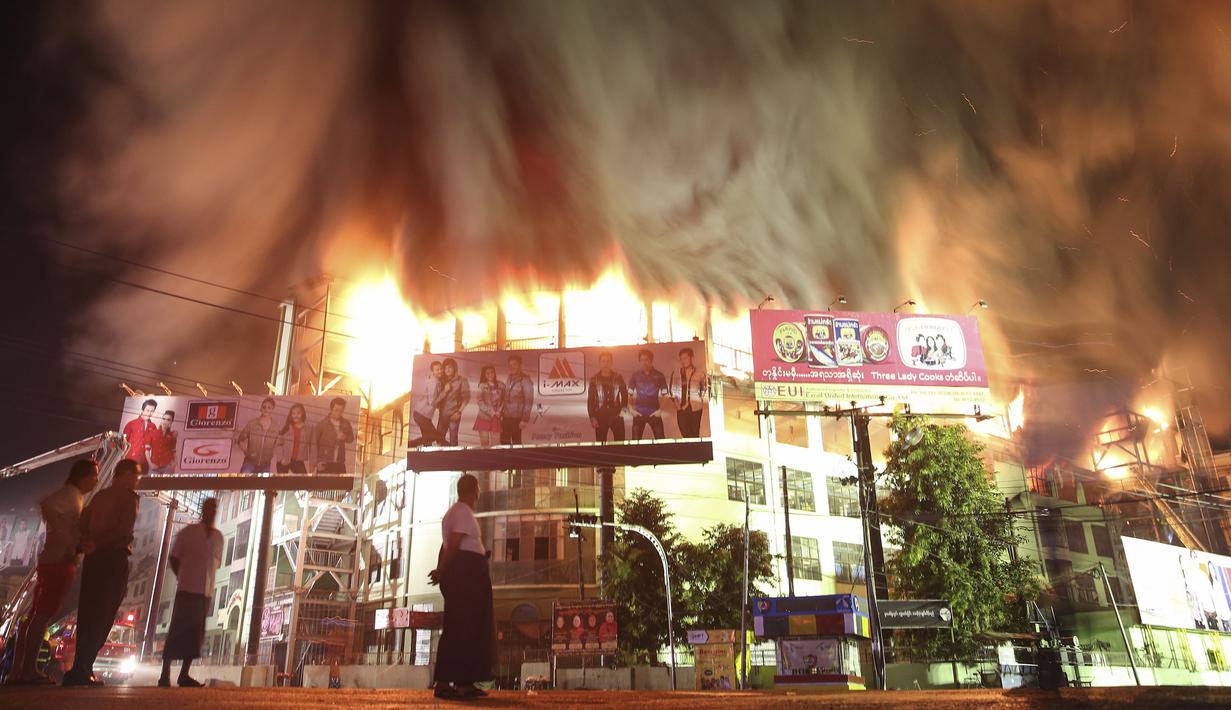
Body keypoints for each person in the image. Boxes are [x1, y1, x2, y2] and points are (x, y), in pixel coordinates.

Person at [7, 460, 99, 685]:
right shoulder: (71, 494)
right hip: (58, 562)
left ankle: (18, 670)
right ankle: (28, 670)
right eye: (94, 475)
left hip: (54, 560)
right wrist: (69, 538)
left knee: (35, 617)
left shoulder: (75, 496)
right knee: (42, 615)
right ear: (83, 476)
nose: (97, 479)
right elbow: (47, 505)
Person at [63, 459, 141, 687]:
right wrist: (98, 543)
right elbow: (123, 530)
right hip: (113, 558)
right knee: (104, 615)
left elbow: (81, 525)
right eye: (136, 475)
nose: (137, 480)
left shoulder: (99, 497)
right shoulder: (129, 497)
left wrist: (88, 544)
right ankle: (83, 668)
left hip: (92, 560)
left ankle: (79, 668)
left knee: (88, 613)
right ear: (125, 474)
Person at [429, 474, 493, 699]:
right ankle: (446, 682)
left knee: (468, 627)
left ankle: (464, 682)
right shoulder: (462, 512)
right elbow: (453, 544)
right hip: (466, 574)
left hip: (468, 573)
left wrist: (443, 570)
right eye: (478, 488)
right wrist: (442, 570)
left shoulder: (457, 512)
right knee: (460, 627)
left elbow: (450, 545)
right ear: (474, 490)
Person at [159, 498, 223, 688]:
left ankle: (184, 675)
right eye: (209, 508)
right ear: (203, 510)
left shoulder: (218, 537)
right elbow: (174, 557)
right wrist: (182, 576)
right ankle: (164, 674)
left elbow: (215, 563)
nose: (212, 511)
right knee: (177, 631)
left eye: (215, 508)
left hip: (205, 592)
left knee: (196, 635)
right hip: (187, 589)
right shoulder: (188, 533)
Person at [627, 349, 668, 440]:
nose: (644, 362)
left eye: (646, 359)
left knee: (661, 442)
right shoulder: (635, 376)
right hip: (639, 413)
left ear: (651, 360)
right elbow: (629, 394)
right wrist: (631, 409)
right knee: (635, 443)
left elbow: (666, 395)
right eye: (641, 360)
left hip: (654, 413)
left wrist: (660, 410)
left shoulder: (659, 375)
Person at [587, 351, 628, 442]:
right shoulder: (594, 379)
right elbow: (590, 400)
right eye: (603, 361)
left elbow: (625, 395)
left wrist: (623, 412)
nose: (605, 364)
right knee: (601, 444)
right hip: (600, 416)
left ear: (611, 363)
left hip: (616, 415)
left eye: (608, 361)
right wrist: (592, 417)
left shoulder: (618, 377)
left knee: (620, 443)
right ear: (599, 363)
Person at [668, 347, 707, 438]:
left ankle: (696, 451)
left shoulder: (700, 373)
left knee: (695, 433)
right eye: (681, 358)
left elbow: (704, 387)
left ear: (691, 358)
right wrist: (677, 404)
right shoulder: (677, 373)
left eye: (685, 358)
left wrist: (698, 398)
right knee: (685, 434)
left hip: (696, 408)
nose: (683, 361)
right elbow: (671, 389)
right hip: (681, 408)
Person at [433, 358, 471, 447]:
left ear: (454, 368)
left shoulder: (461, 380)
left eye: (450, 367)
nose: (448, 370)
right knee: (439, 439)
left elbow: (467, 398)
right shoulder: (441, 381)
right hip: (442, 415)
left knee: (453, 441)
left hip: (454, 415)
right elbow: (436, 399)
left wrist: (459, 412)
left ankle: (453, 459)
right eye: (445, 368)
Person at [311, 398, 355, 474]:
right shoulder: (322, 424)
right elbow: (314, 444)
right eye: (336, 410)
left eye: (341, 410)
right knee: (322, 485)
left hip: (340, 461)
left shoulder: (346, 423)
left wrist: (344, 437)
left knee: (342, 485)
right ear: (331, 409)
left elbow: (351, 439)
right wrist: (317, 463)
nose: (339, 413)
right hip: (324, 462)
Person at [235, 397, 278, 473]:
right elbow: (240, 440)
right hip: (249, 463)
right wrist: (246, 452)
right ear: (260, 408)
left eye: (269, 407)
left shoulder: (275, 427)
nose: (266, 409)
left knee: (262, 485)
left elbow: (276, 444)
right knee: (241, 483)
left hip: (266, 465)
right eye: (264, 407)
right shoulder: (252, 424)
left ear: (273, 409)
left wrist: (271, 455)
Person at [409, 361, 444, 447]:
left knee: (428, 438)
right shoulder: (433, 383)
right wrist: (444, 394)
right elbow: (432, 402)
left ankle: (418, 448)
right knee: (434, 436)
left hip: (422, 415)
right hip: (421, 415)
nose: (440, 371)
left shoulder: (433, 381)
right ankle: (411, 444)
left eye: (441, 369)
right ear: (432, 372)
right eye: (437, 369)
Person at [501, 355, 534, 445]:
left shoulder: (525, 380)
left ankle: (517, 459)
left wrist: (524, 419)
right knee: (504, 442)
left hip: (517, 418)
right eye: (510, 365)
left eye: (515, 364)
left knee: (516, 443)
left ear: (520, 365)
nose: (512, 367)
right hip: (506, 417)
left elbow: (529, 401)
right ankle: (505, 459)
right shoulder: (509, 378)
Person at [473, 365, 506, 447]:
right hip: (484, 416)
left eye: (492, 372)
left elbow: (504, 400)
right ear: (484, 375)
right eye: (487, 373)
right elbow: (479, 402)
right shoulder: (481, 386)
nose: (490, 375)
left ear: (494, 373)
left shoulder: (501, 385)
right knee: (485, 443)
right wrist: (492, 412)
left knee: (496, 444)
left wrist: (499, 411)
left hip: (497, 417)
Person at [273, 403, 310, 473]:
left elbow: (312, 445)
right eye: (293, 413)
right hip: (284, 460)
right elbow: (278, 444)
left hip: (298, 461)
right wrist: (280, 458)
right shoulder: (286, 428)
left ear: (303, 414)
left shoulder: (307, 429)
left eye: (298, 413)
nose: (296, 415)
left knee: (304, 481)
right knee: (282, 483)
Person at [121, 398, 158, 466]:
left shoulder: (153, 427)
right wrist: (121, 458)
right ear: (142, 410)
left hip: (144, 463)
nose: (149, 413)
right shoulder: (131, 424)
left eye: (152, 411)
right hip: (130, 461)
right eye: (147, 410)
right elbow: (123, 442)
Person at [148, 411, 178, 475]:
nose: (165, 421)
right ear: (161, 419)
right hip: (154, 466)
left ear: (171, 422)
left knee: (166, 484)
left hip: (167, 466)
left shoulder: (172, 435)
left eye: (168, 420)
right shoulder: (153, 433)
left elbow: (173, 450)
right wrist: (150, 464)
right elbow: (147, 450)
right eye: (163, 419)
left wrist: (175, 462)